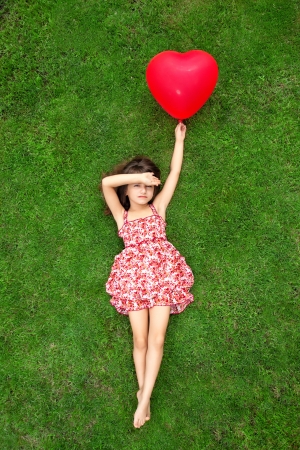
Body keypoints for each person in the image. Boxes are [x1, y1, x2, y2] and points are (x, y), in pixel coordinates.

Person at [101, 123, 194, 428]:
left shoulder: (159, 208)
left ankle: (143, 400)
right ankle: (145, 397)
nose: (144, 191)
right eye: (139, 186)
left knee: (157, 337)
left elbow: (175, 173)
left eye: (149, 185)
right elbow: (106, 183)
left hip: (164, 274)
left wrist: (178, 140)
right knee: (139, 339)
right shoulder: (122, 214)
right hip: (133, 278)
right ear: (127, 190)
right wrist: (137, 176)